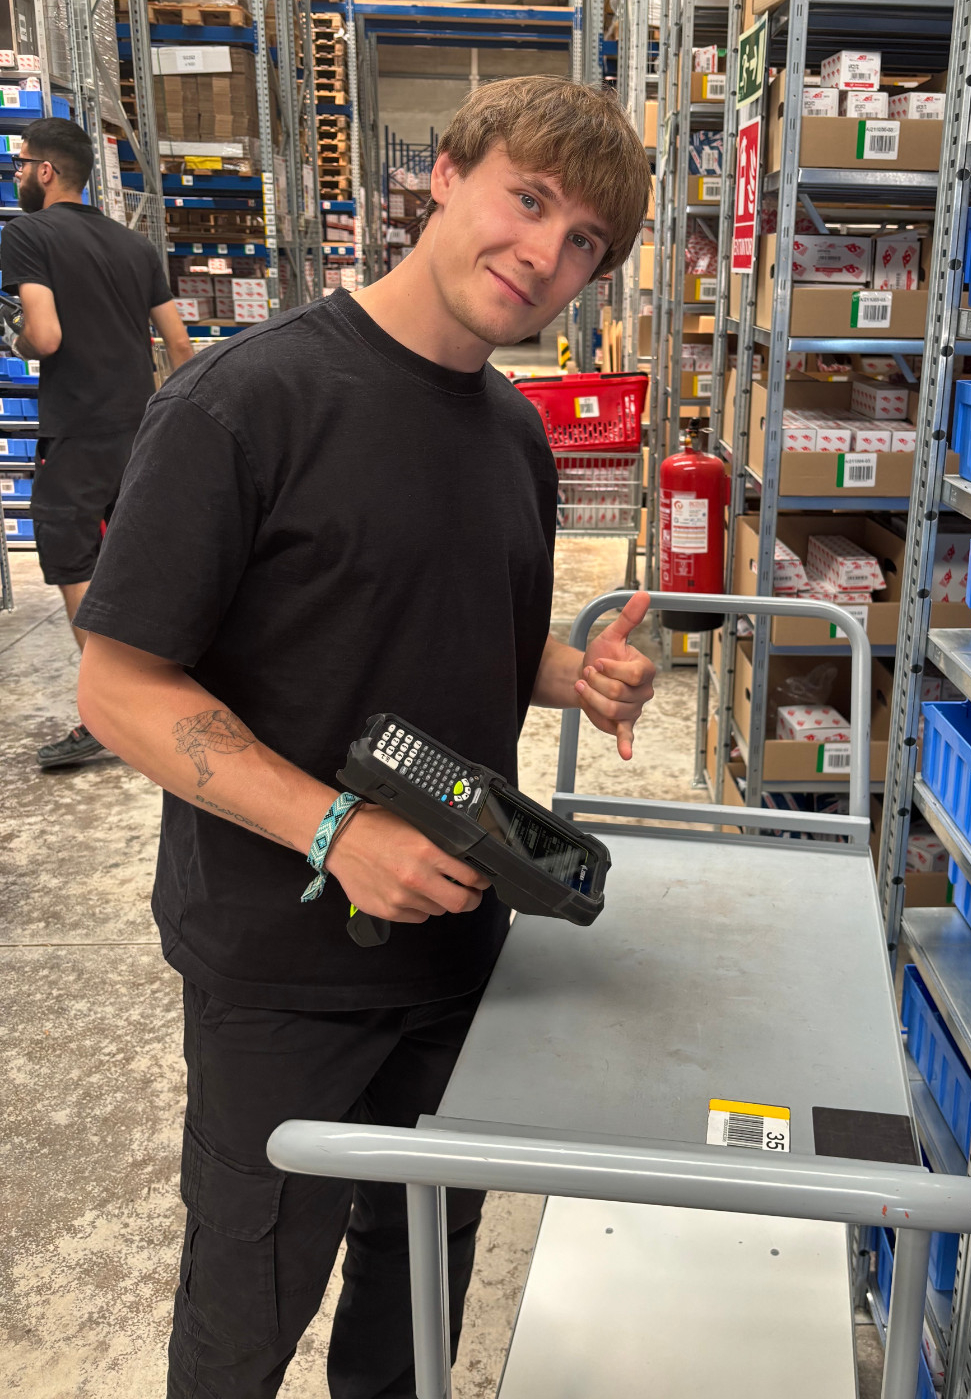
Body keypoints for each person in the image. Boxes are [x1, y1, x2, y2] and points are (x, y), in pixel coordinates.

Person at [74, 75, 655, 1399]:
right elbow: (119, 687)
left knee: (415, 1311)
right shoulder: (245, 401)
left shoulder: (514, 433)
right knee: (245, 1314)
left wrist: (573, 676)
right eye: (527, 200)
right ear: (444, 174)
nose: (545, 255)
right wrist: (336, 829)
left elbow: (439, 625)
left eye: (583, 242)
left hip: (460, 954)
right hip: (282, 969)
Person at [0, 116, 194, 769]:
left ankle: (113, 715)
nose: (18, 175)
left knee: (75, 565)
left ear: (46, 170)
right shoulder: (134, 245)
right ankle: (165, 687)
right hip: (139, 430)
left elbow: (46, 336)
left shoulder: (26, 234)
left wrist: (16, 339)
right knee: (133, 562)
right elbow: (180, 344)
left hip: (76, 432)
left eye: (21, 165)